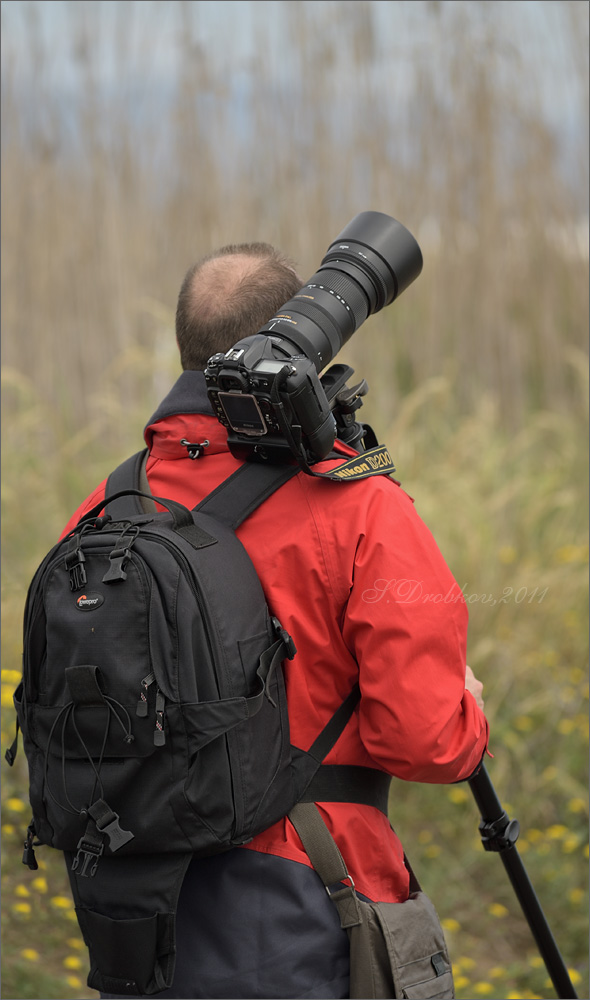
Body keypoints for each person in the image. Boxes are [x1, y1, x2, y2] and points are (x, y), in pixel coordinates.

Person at [60, 241, 489, 1000]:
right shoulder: (359, 507)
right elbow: (422, 738)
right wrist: (470, 713)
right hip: (312, 901)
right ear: (309, 338)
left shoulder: (104, 509)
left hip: (136, 908)